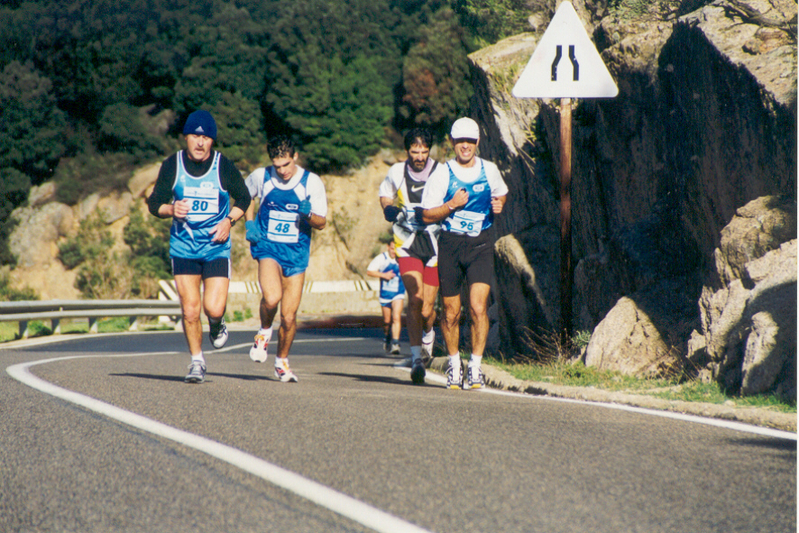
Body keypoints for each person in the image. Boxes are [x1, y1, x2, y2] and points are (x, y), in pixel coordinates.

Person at [147, 110, 251, 384]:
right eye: (195, 135)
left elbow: (243, 197)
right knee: (190, 310)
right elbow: (153, 203)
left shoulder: (222, 166)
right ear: (186, 138)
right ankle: (197, 361)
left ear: (212, 141)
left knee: (213, 309)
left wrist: (229, 221)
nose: (200, 142)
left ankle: (216, 325)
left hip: (216, 247)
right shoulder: (173, 165)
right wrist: (171, 208)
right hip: (184, 247)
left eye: (206, 137)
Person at [421, 117, 508, 390]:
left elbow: (501, 193)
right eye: (460, 141)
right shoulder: (442, 173)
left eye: (470, 141)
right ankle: (455, 365)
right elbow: (425, 214)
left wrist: (499, 205)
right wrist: (450, 205)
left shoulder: (489, 170)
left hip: (480, 244)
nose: (465, 146)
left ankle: (476, 368)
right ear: (452, 143)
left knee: (478, 307)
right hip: (450, 245)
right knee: (450, 312)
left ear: (477, 142)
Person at [243, 134, 328, 383]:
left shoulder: (311, 182)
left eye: (286, 165)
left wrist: (308, 214)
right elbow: (244, 196)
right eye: (277, 166)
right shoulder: (262, 176)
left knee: (289, 317)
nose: (282, 171)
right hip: (268, 246)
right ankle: (264, 332)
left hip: (296, 252)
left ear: (295, 157)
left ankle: (281, 362)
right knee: (272, 298)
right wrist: (249, 223)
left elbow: (321, 222)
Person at [378, 128, 440, 385]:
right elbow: (384, 193)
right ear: (407, 151)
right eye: (415, 151)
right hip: (406, 244)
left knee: (427, 309)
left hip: (435, 244)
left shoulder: (441, 171)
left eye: (424, 151)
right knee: (414, 300)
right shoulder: (396, 172)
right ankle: (416, 359)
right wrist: (388, 208)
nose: (420, 156)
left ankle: (429, 332)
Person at [366, 241, 406, 355]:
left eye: (396, 249)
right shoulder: (381, 258)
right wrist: (384, 275)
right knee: (387, 321)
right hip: (385, 294)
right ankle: (387, 337)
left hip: (398, 293)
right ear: (388, 247)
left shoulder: (402, 257)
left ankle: (396, 343)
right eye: (392, 249)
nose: (394, 252)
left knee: (396, 317)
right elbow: (370, 271)